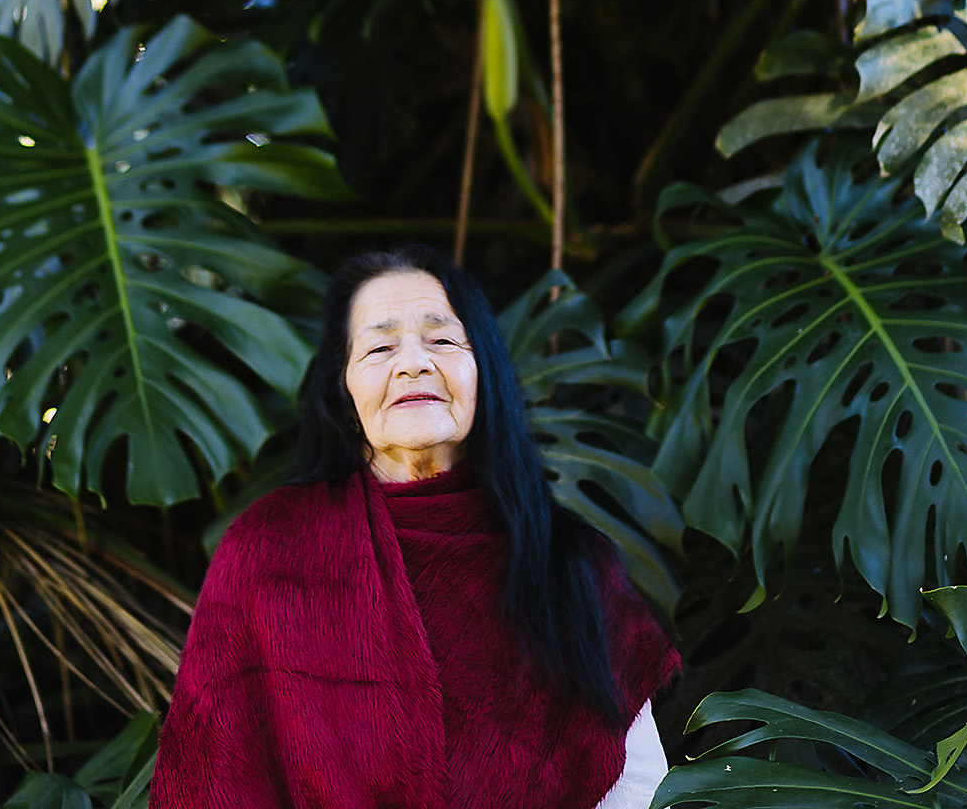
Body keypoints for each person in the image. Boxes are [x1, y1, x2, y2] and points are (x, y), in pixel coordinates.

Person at [151, 245, 678, 809]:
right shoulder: (267, 550)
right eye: (380, 346)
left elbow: (637, 788)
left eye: (442, 340)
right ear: (346, 394)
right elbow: (213, 774)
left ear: (484, 374)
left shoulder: (572, 563)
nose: (413, 363)